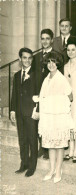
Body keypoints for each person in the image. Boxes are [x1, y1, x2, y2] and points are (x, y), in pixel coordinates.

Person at [38, 51, 74, 183]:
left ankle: (58, 170)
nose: (51, 64)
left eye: (53, 62)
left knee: (59, 145)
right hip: (48, 117)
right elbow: (42, 97)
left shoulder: (62, 78)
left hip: (59, 116)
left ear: (58, 63)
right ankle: (51, 169)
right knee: (50, 144)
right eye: (49, 62)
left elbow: (70, 96)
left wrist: (58, 102)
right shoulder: (46, 79)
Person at [32, 29, 63, 159]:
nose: (44, 41)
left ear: (52, 40)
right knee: (39, 122)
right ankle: (41, 146)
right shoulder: (36, 57)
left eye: (47, 38)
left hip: (52, 94)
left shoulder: (57, 55)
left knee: (50, 121)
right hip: (39, 93)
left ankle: (48, 149)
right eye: (42, 38)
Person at [10, 48, 38, 177]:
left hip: (31, 113)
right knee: (22, 140)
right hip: (20, 113)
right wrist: (12, 110)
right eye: (24, 58)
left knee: (32, 140)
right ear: (20, 59)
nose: (27, 60)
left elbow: (39, 95)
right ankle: (24, 163)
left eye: (29, 58)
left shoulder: (37, 74)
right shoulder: (16, 75)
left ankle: (32, 166)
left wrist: (37, 111)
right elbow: (14, 95)